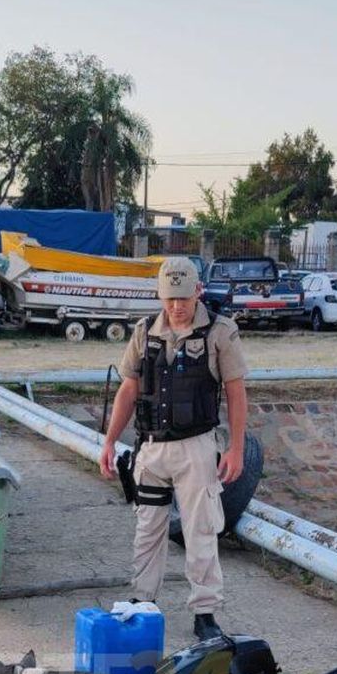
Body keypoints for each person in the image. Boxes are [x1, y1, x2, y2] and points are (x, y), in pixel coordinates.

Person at [100, 256, 248, 640]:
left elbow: (235, 390)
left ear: (197, 291)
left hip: (196, 448)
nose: (177, 306)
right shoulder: (144, 331)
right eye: (169, 299)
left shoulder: (220, 331)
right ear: (160, 296)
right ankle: (143, 601)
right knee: (147, 528)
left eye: (183, 297)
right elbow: (129, 389)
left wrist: (235, 448)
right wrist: (110, 439)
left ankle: (205, 613)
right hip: (151, 450)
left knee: (201, 529)